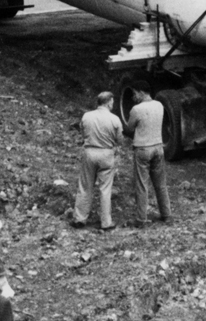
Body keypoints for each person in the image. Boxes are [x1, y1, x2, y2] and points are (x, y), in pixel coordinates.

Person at [72, 91, 124, 230]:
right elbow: (120, 140)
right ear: (108, 102)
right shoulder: (115, 119)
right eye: (112, 102)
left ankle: (80, 218)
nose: (113, 104)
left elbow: (83, 133)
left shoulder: (87, 116)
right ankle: (106, 222)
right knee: (105, 189)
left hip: (89, 152)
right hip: (106, 153)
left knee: (85, 186)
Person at [125, 83, 171, 226]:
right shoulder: (159, 105)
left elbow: (129, 128)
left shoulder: (136, 109)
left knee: (142, 185)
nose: (134, 97)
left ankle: (141, 219)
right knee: (161, 183)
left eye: (135, 93)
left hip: (143, 148)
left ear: (140, 92)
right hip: (158, 146)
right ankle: (167, 214)